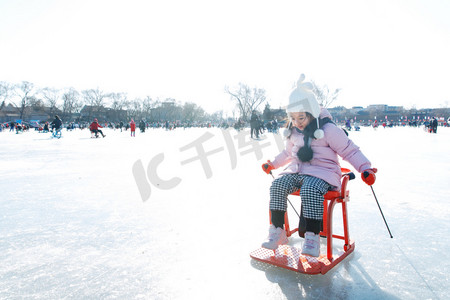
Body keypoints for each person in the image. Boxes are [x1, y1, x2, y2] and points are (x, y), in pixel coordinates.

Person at [260, 74, 377, 257]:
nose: (297, 123)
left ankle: (312, 237)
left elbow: (350, 150)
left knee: (310, 189)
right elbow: (288, 153)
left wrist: (365, 168)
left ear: (312, 112)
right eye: (293, 118)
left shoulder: (328, 130)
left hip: (323, 173)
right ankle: (277, 231)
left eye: (301, 118)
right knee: (277, 185)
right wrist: (273, 164)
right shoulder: (293, 131)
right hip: (298, 170)